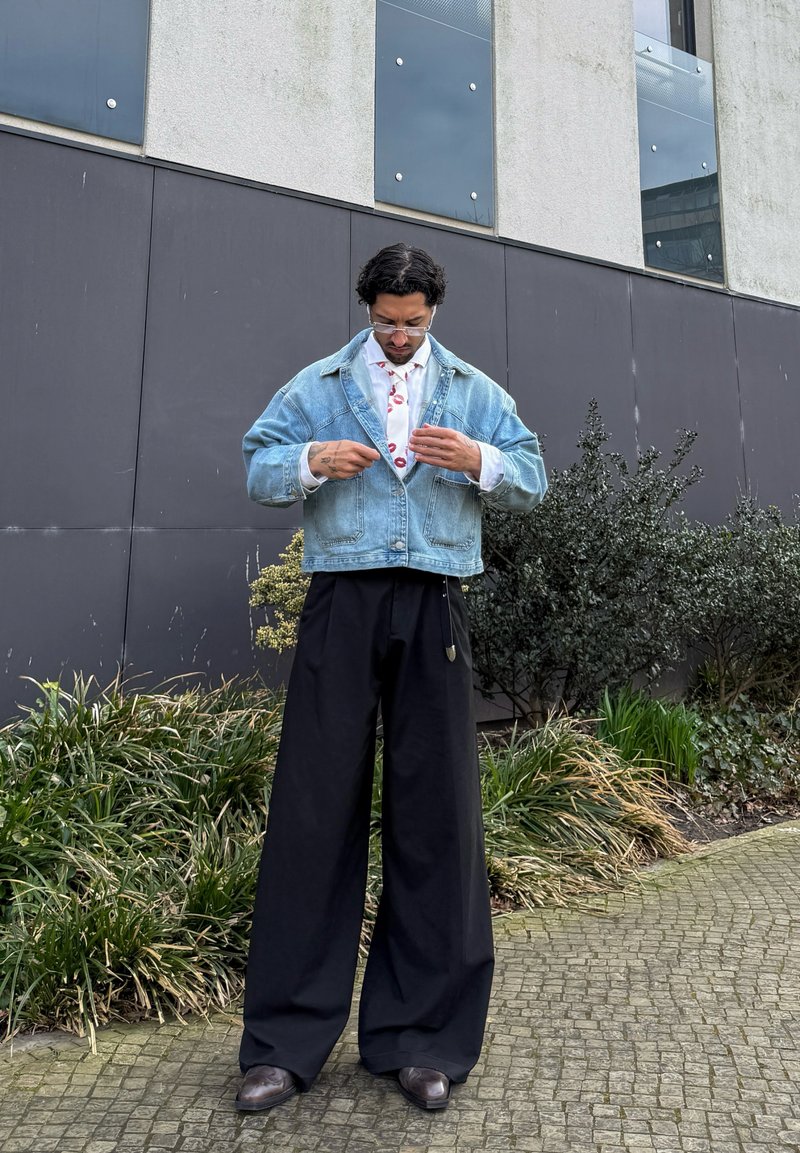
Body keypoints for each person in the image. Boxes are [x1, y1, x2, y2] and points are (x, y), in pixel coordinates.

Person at [237, 242, 547, 1113]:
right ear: (367, 308)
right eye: (386, 322)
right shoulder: (321, 384)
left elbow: (532, 477)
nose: (400, 335)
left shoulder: (475, 391)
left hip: (435, 602)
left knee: (437, 817)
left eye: (413, 322)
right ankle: (284, 1044)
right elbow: (257, 465)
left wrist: (479, 460)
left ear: (433, 311)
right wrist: (310, 462)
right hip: (342, 598)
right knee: (311, 813)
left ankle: (424, 1038)